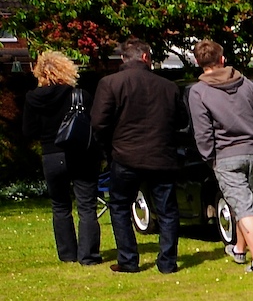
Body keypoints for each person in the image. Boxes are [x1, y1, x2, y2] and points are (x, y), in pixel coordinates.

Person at [185, 39, 253, 273]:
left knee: (243, 208)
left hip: (226, 155)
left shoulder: (198, 91)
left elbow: (203, 132)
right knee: (244, 203)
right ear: (222, 59)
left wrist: (210, 158)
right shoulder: (244, 82)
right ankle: (239, 249)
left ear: (198, 63)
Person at [89, 38, 183, 274]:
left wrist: (109, 149)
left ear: (123, 58)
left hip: (125, 155)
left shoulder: (110, 83)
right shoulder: (168, 87)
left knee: (120, 206)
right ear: (145, 57)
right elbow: (182, 121)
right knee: (167, 210)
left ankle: (129, 259)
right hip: (161, 156)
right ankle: (167, 262)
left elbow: (99, 123)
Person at [21, 50, 102, 265]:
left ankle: (67, 254)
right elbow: (94, 125)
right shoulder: (79, 95)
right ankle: (89, 256)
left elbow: (28, 132)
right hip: (80, 154)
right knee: (86, 207)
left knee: (60, 206)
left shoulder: (32, 99)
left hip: (51, 154)